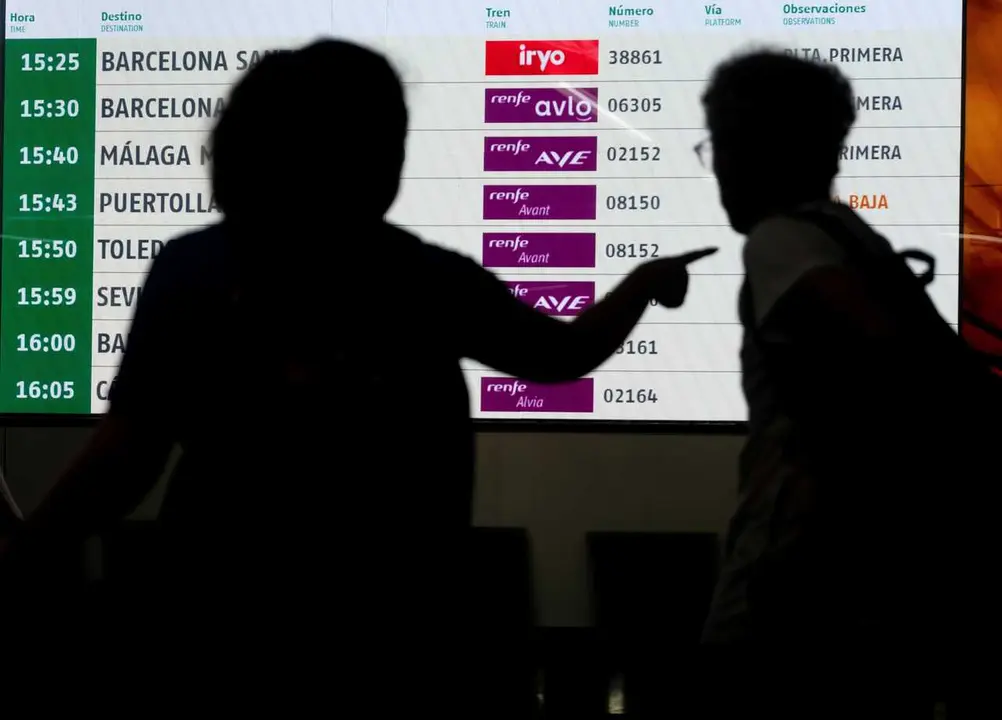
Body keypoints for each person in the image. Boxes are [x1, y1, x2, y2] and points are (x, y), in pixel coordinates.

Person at [0, 39, 714, 705]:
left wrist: (28, 552)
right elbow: (561, 357)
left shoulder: (194, 270)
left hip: (218, 622)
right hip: (396, 638)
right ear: (375, 159)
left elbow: (126, 456)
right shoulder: (425, 280)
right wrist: (644, 284)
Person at [696, 50, 993, 716]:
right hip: (883, 595)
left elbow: (887, 359)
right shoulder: (854, 237)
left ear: (746, 149)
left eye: (717, 144)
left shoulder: (780, 241)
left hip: (794, 592)